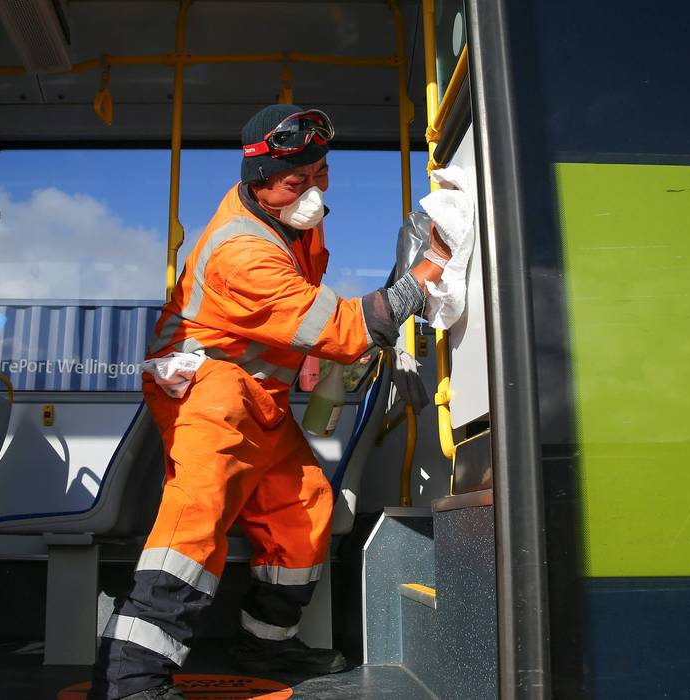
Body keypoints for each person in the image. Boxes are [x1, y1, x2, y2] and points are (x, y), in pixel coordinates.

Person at [90, 104, 452, 700]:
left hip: (257, 393)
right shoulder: (241, 252)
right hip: (208, 389)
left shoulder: (294, 218)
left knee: (304, 504)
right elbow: (340, 327)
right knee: (194, 525)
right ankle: (129, 682)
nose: (313, 192)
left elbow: (306, 318)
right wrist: (431, 267)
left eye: (321, 175)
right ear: (258, 179)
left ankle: (266, 645)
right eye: (296, 181)